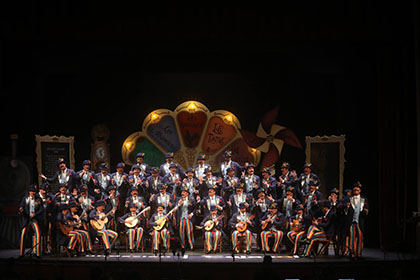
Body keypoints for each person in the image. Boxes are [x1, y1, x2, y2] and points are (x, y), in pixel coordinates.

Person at [343, 182, 369, 259]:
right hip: (351, 221)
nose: (356, 190)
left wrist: (366, 211)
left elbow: (366, 209)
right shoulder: (349, 198)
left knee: (360, 237)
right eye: (354, 189)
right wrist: (346, 207)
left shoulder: (363, 199)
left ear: (360, 190)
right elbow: (345, 209)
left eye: (357, 189)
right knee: (352, 237)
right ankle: (352, 252)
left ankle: (359, 253)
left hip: (359, 221)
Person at [18, 184, 43, 258]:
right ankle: (21, 253)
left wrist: (35, 214)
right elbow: (21, 206)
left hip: (34, 219)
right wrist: (21, 210)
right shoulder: (25, 199)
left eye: (34, 191)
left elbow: (41, 209)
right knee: (23, 234)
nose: (33, 193)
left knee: (38, 233)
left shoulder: (38, 199)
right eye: (32, 191)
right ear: (29, 192)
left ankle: (37, 253)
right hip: (26, 218)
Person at [175, 186, 197, 251]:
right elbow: (175, 208)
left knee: (189, 232)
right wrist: (178, 204)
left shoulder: (192, 199)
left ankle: (191, 246)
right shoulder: (179, 199)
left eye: (184, 192)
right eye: (182, 192)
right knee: (181, 232)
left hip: (188, 217)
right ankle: (183, 246)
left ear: (187, 193)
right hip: (181, 217)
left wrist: (192, 214)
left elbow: (195, 208)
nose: (182, 193)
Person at [37, 182, 56, 255]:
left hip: (46, 218)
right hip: (38, 218)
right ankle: (38, 249)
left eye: (46, 190)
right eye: (43, 190)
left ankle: (45, 249)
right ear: (40, 190)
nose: (45, 192)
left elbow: (51, 207)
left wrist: (50, 212)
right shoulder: (36, 197)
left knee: (45, 233)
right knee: (39, 233)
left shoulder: (48, 197)